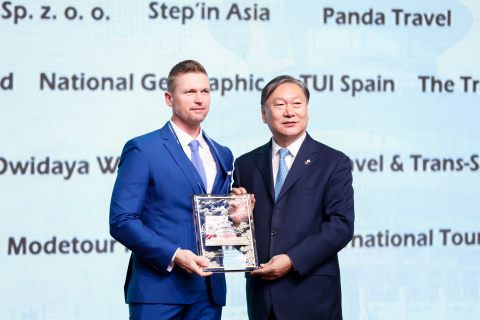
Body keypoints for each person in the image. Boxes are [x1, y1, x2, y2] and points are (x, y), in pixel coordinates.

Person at [110, 60, 233, 320]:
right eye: (189, 92)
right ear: (169, 98)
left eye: (205, 91)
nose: (199, 99)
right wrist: (175, 255)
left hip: (209, 293)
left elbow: (214, 224)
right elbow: (121, 221)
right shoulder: (143, 149)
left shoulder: (223, 154)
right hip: (158, 292)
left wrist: (236, 217)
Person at [232, 75, 354, 320]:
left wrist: (291, 260)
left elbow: (341, 226)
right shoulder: (245, 164)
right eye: (279, 105)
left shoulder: (333, 162)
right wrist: (238, 224)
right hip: (262, 299)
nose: (289, 112)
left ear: (307, 111)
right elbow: (243, 244)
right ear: (264, 115)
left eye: (297, 104)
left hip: (312, 296)